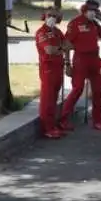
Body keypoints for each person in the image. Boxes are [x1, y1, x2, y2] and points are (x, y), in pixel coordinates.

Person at [60, 0, 101, 131]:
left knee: (97, 90)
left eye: (95, 10)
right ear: (84, 9)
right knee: (77, 89)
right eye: (91, 9)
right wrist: (67, 64)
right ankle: (64, 119)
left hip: (94, 58)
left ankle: (97, 121)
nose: (93, 12)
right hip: (80, 59)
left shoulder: (94, 24)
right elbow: (66, 45)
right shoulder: (75, 23)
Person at [35, 8, 68, 139]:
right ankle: (47, 128)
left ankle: (53, 125)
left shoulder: (58, 32)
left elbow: (69, 45)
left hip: (58, 67)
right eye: (50, 15)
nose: (52, 18)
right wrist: (61, 48)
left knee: (54, 99)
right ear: (44, 16)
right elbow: (49, 50)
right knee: (47, 99)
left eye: (55, 16)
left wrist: (59, 50)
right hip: (47, 69)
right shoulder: (41, 32)